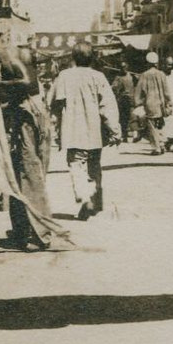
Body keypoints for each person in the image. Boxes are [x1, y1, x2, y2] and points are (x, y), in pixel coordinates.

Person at [0, 12, 69, 251]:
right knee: (16, 172)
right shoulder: (6, 54)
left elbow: (25, 84)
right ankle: (22, 229)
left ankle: (40, 233)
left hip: (28, 116)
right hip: (23, 116)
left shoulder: (7, 53)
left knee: (29, 173)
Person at [50, 42, 121, 220]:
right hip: (94, 133)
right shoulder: (99, 77)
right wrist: (115, 130)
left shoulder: (64, 76)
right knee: (94, 167)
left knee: (76, 166)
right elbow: (108, 107)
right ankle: (93, 202)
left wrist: (55, 128)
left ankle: (84, 198)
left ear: (73, 58)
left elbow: (52, 104)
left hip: (73, 133)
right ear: (92, 58)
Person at [134, 51, 172, 155]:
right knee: (160, 124)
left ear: (147, 62)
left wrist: (137, 103)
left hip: (150, 104)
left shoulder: (144, 75)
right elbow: (166, 91)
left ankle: (157, 148)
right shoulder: (162, 74)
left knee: (152, 126)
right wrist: (169, 103)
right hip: (161, 103)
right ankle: (162, 144)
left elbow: (139, 91)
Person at [110, 63, 137, 143]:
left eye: (125, 67)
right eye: (122, 68)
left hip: (131, 99)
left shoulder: (132, 76)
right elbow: (114, 87)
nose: (123, 69)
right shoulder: (118, 77)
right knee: (123, 118)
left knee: (133, 117)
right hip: (122, 100)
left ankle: (135, 134)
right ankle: (124, 135)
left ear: (127, 67)